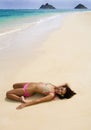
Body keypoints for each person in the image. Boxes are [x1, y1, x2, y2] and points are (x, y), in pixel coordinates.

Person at [6, 82, 76, 109]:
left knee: (8, 94)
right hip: (28, 84)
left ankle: (19, 99)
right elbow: (66, 83)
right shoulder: (54, 86)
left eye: (61, 92)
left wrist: (25, 104)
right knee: (14, 85)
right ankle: (21, 96)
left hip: (28, 90)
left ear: (61, 95)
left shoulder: (51, 94)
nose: (59, 90)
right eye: (61, 89)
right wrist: (68, 90)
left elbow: (39, 100)